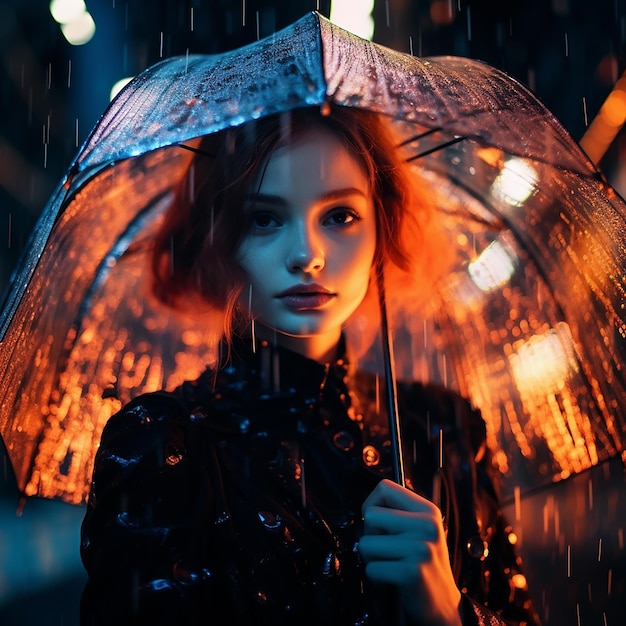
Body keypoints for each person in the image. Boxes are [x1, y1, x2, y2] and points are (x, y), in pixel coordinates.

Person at [79, 105, 540, 626]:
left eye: (340, 216)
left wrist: (447, 610)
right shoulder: (167, 445)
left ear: (380, 228)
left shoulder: (440, 426)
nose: (308, 254)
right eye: (264, 218)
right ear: (219, 238)